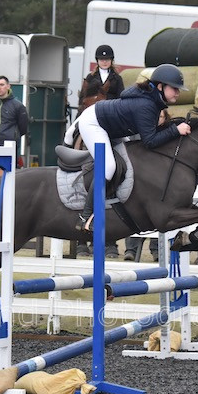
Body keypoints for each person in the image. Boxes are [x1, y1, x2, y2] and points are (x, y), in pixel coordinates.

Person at [63, 63, 191, 232]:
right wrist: (176, 130)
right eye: (174, 88)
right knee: (108, 167)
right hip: (94, 124)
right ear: (160, 86)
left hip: (109, 126)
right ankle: (85, 216)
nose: (177, 92)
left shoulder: (152, 102)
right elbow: (150, 141)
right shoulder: (146, 105)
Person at [76, 45, 125, 258]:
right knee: (83, 177)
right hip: (90, 129)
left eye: (107, 59)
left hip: (110, 127)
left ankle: (110, 242)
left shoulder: (117, 79)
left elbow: (122, 102)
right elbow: (82, 104)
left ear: (111, 61)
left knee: (111, 175)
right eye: (101, 59)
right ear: (97, 60)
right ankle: (81, 239)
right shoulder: (89, 79)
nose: (104, 62)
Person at [0, 75, 28, 156]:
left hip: (8, 146)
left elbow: (23, 128)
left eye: (2, 85)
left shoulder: (18, 106)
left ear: (8, 86)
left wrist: (13, 136)